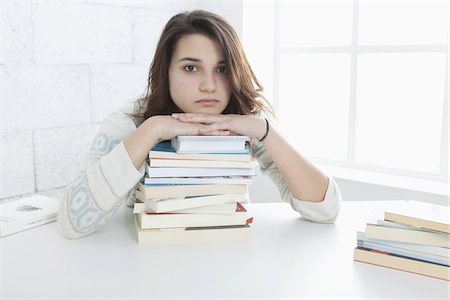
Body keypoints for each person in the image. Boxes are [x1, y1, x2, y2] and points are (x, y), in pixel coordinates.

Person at [59, 10, 341, 239]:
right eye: (191, 68)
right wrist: (153, 130)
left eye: (222, 69)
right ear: (165, 71)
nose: (209, 86)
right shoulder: (130, 119)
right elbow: (73, 221)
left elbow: (325, 210)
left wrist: (263, 131)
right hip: (148, 256)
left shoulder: (244, 119)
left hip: (228, 252)